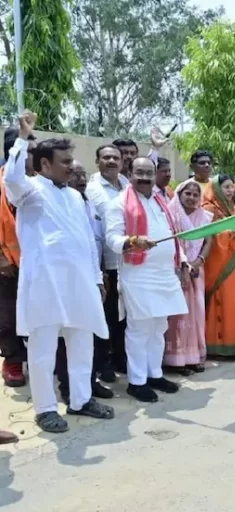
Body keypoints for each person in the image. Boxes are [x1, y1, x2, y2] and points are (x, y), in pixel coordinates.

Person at [4, 112, 114, 433]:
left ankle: (81, 400)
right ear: (44, 165)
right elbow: (11, 177)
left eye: (71, 160)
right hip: (45, 285)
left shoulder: (76, 198)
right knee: (43, 349)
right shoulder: (31, 191)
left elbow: (86, 244)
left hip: (79, 284)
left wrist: (96, 279)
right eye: (64, 161)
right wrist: (23, 138)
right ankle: (45, 409)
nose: (71, 166)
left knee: (82, 342)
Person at [105, 156, 189, 403]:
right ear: (129, 174)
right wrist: (132, 242)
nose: (144, 178)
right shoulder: (119, 203)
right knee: (140, 329)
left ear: (155, 176)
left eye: (149, 173)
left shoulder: (161, 200)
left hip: (165, 274)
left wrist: (181, 261)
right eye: (139, 173)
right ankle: (137, 381)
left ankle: (155, 374)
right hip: (138, 275)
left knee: (159, 327)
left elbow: (173, 236)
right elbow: (111, 238)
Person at [55, 160, 114, 403]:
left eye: (83, 174)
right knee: (65, 339)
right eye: (75, 174)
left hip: (94, 274)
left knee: (92, 334)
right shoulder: (59, 202)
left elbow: (92, 243)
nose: (80, 179)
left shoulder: (85, 203)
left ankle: (89, 382)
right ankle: (68, 389)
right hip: (66, 281)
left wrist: (100, 276)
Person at [86, 144, 129, 379]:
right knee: (106, 316)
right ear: (98, 161)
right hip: (107, 264)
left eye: (116, 158)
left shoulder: (128, 186)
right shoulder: (92, 189)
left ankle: (122, 359)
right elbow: (95, 231)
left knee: (124, 318)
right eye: (106, 157)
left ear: (122, 162)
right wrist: (100, 268)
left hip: (129, 262)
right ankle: (102, 365)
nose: (111, 161)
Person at [202, 174, 235, 355]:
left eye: (232, 187)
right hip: (216, 263)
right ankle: (214, 344)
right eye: (226, 187)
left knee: (233, 301)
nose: (230, 191)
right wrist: (226, 232)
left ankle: (234, 344)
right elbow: (206, 236)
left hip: (233, 262)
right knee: (219, 299)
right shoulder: (208, 209)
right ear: (216, 189)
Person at [0, 127, 36, 388]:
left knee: (39, 316)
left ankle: (40, 361)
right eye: (30, 151)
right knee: (8, 317)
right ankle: (12, 361)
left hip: (38, 263)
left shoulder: (39, 184)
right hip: (7, 265)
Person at [165, 179, 213, 373]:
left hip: (197, 271)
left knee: (197, 314)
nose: (192, 198)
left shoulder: (205, 217)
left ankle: (193, 357)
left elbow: (208, 242)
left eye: (195, 195)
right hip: (176, 269)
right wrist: (185, 264)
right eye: (188, 194)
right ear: (179, 194)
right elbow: (172, 242)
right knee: (178, 315)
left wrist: (198, 262)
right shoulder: (170, 214)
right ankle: (176, 360)